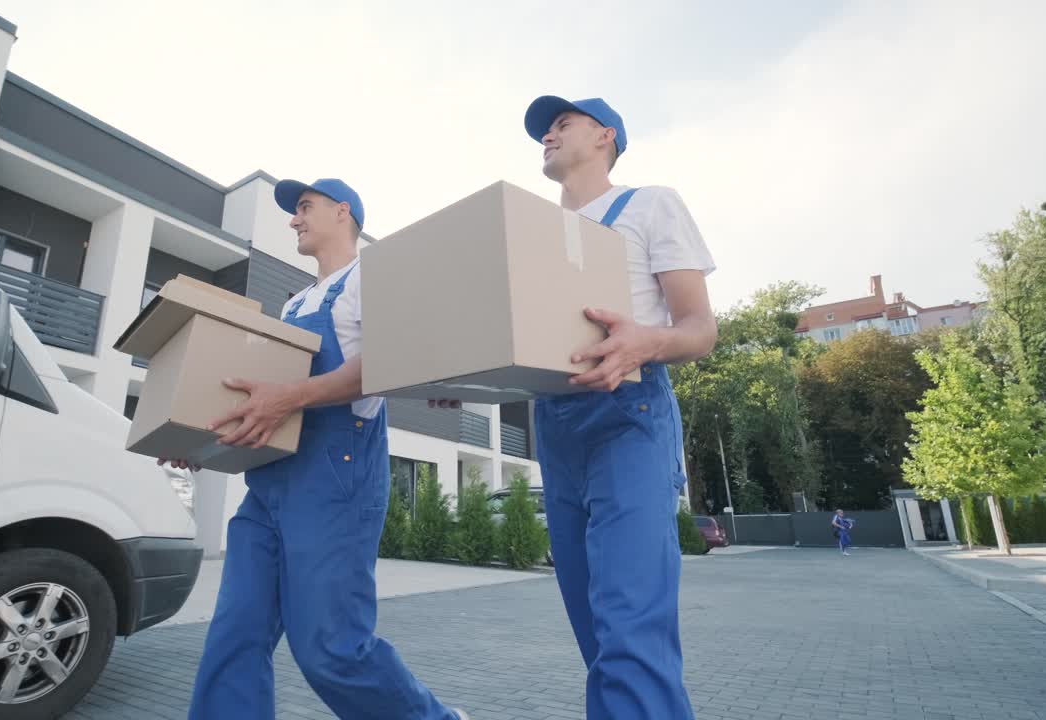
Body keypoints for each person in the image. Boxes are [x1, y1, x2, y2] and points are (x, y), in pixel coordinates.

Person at [434, 96, 717, 719]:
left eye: (563, 123)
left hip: (630, 419)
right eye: (543, 129)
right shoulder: (529, 237)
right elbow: (528, 349)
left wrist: (650, 339)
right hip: (556, 430)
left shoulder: (648, 204)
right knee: (597, 635)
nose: (548, 135)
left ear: (606, 136)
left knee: (630, 632)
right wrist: (467, 374)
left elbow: (700, 329)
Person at [167, 178, 467, 720]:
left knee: (330, 647)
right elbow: (269, 401)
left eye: (304, 207)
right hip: (270, 483)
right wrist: (202, 440)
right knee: (235, 633)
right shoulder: (295, 304)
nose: (293, 219)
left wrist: (292, 397)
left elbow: (391, 364)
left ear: (342, 212)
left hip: (335, 477)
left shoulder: (373, 277)